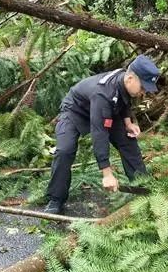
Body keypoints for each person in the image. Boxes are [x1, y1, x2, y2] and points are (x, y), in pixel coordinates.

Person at [44, 55, 161, 214]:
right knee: (65, 150)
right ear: (130, 78)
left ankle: (143, 188)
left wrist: (128, 124)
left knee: (128, 143)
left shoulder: (124, 80)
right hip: (75, 112)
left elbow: (124, 101)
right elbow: (100, 134)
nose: (143, 92)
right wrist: (107, 174)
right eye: (143, 87)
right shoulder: (103, 93)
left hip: (105, 111)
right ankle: (55, 199)